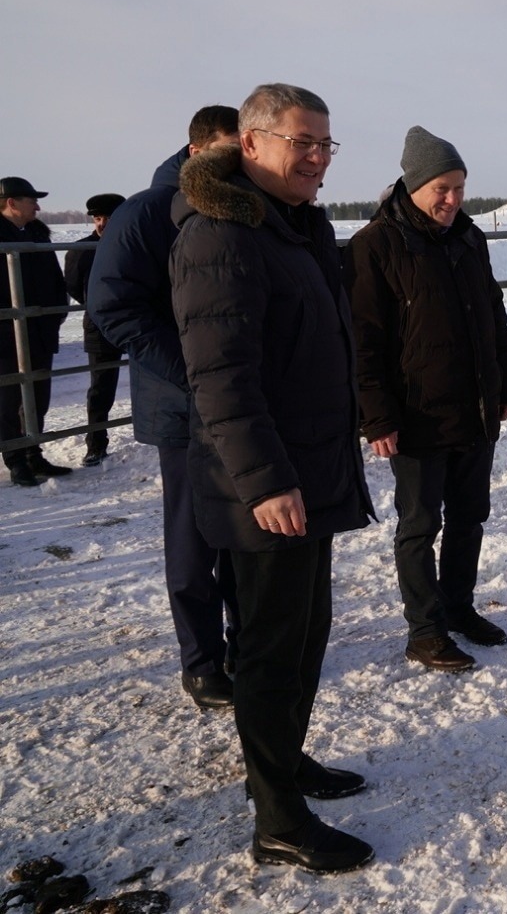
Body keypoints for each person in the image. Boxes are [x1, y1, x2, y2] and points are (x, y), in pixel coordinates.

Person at [169, 83, 374, 874]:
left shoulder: (292, 224)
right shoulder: (222, 233)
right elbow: (221, 375)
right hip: (266, 483)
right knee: (268, 647)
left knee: (306, 630)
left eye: (327, 144)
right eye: (303, 143)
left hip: (310, 467)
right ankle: (278, 818)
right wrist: (264, 482)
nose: (318, 158)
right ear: (250, 144)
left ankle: (285, 764)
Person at [345, 126, 507, 672]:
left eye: (459, 188)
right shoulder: (375, 246)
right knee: (420, 524)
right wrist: (377, 417)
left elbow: (494, 315)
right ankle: (424, 630)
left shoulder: (469, 239)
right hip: (416, 414)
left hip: (474, 405)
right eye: (441, 189)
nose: (451, 200)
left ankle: (459, 607)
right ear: (414, 184)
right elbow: (363, 340)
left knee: (470, 516)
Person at [88, 106, 241, 711]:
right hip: (183, 407)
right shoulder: (147, 212)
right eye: (230, 149)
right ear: (197, 147)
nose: (239, 161)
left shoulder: (241, 204)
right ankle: (200, 661)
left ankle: (241, 643)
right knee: (193, 537)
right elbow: (114, 306)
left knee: (243, 534)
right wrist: (194, 374)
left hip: (241, 402)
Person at [1, 176, 71, 487]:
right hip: (4, 338)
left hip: (40, 331)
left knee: (38, 396)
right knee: (9, 399)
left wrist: (54, 314)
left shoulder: (38, 236)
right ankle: (16, 460)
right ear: (11, 203)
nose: (38, 207)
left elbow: (55, 280)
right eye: (32, 201)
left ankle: (34, 454)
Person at [62, 193, 126, 466]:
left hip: (140, 324)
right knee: (101, 389)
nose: (102, 224)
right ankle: (96, 445)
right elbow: (75, 286)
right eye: (98, 218)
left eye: (108, 218)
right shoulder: (82, 250)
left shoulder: (134, 244)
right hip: (100, 327)